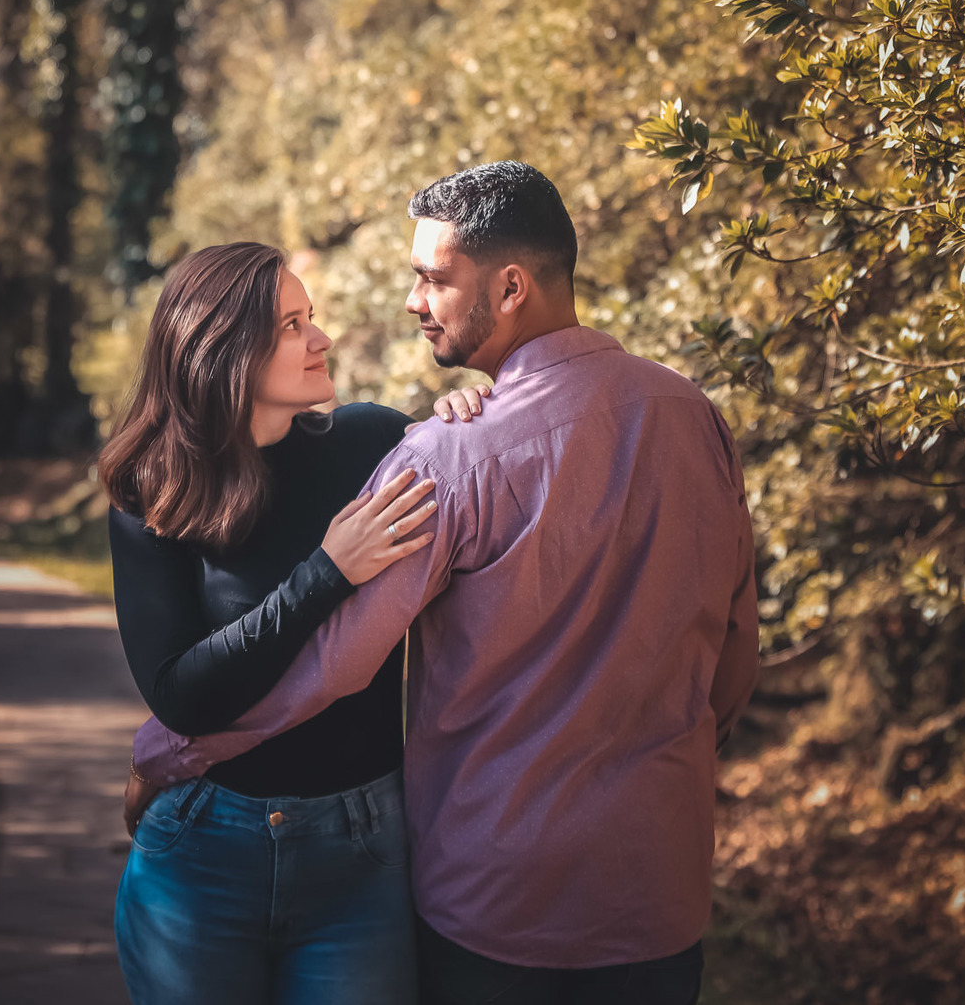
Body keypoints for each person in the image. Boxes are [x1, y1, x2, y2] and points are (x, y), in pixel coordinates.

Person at [130, 164, 760, 1005]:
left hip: (495, 898)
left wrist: (168, 752)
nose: (412, 300)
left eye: (431, 277)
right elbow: (735, 647)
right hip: (658, 890)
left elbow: (339, 665)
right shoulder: (696, 416)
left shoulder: (443, 459)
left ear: (508, 287)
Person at [102, 240, 479, 1005]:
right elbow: (182, 695)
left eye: (311, 317)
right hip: (203, 853)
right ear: (222, 349)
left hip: (362, 852)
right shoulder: (154, 490)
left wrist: (462, 419)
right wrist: (327, 571)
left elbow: (480, 492)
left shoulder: (372, 443)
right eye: (291, 325)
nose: (322, 338)